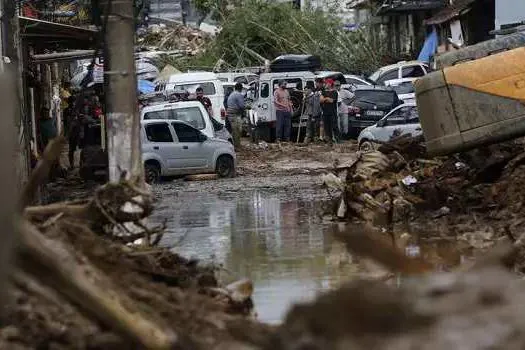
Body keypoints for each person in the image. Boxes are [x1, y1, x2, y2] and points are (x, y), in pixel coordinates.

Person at [226, 82, 246, 148]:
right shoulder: (239, 95)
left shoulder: (232, 94)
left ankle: (236, 145)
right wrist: (247, 107)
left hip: (230, 113)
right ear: (241, 88)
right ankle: (237, 146)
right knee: (237, 130)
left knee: (235, 130)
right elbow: (242, 106)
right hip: (234, 114)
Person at [320, 79, 338, 146]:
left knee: (334, 127)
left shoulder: (335, 92)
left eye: (326, 83)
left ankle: (337, 140)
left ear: (330, 84)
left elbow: (331, 101)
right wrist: (327, 99)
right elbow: (321, 100)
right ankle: (329, 141)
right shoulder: (323, 92)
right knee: (327, 128)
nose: (325, 84)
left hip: (332, 113)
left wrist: (326, 98)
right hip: (325, 113)